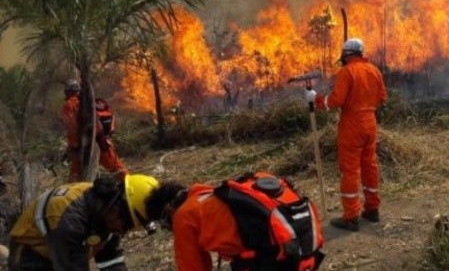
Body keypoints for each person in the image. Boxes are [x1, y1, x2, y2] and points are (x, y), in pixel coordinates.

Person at [144, 171, 325, 271]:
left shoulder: (185, 215)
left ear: (168, 209)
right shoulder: (226, 195)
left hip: (274, 263)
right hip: (307, 251)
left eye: (167, 224)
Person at [304, 38, 387, 232]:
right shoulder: (374, 71)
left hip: (352, 125)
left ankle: (351, 217)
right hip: (370, 123)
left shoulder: (347, 72)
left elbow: (334, 101)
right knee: (370, 165)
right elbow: (382, 97)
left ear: (347, 54)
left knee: (350, 169)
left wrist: (315, 99)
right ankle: (372, 209)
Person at [7, 174, 160, 271]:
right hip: (30, 256)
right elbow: (72, 266)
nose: (122, 231)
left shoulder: (107, 213)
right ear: (116, 207)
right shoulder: (68, 218)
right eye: (126, 225)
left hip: (64, 254)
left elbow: (111, 260)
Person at [60, 80, 127, 182]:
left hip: (83, 145)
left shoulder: (69, 105)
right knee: (116, 167)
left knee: (76, 175)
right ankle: (128, 185)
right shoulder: (91, 101)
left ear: (68, 91)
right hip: (102, 141)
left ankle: (75, 195)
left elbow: (71, 127)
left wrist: (73, 146)